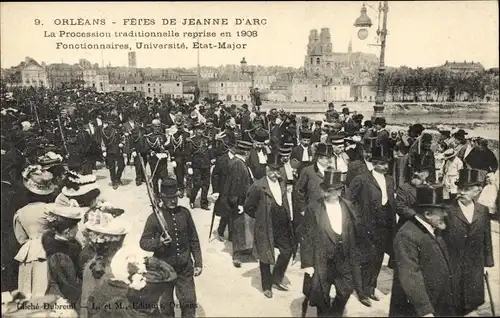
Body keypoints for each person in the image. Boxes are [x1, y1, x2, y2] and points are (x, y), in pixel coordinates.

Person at [300, 168, 362, 317]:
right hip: (322, 258)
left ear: (340, 191)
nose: (328, 193)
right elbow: (306, 236)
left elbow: (355, 230)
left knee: (346, 288)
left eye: (333, 190)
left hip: (343, 257)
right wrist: (308, 263)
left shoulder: (348, 206)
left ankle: (334, 313)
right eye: (326, 190)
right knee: (322, 293)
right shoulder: (313, 208)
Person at [389, 184, 456, 317]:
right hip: (418, 309)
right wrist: (425, 310)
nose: (445, 214)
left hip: (438, 302)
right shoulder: (406, 235)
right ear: (427, 214)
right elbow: (410, 275)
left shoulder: (434, 228)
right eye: (441, 211)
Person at [139, 178, 202, 318]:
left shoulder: (185, 213)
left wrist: (198, 262)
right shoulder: (154, 218)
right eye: (168, 198)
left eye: (174, 197)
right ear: (161, 197)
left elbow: (194, 239)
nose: (173, 201)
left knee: (189, 302)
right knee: (166, 306)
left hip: (185, 267)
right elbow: (143, 242)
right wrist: (159, 242)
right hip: (163, 269)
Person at [347, 145, 396, 307]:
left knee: (378, 257)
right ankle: (361, 291)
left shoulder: (389, 180)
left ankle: (371, 287)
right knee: (365, 257)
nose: (385, 166)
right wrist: (357, 219)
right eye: (382, 163)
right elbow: (349, 200)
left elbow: (390, 201)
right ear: (374, 163)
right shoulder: (362, 178)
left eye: (387, 163)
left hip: (383, 224)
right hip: (366, 224)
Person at [443, 168, 494, 316]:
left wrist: (487, 262)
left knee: (472, 299)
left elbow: (487, 237)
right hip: (453, 261)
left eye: (467, 189)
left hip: (474, 263)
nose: (462, 192)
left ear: (477, 191)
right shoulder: (447, 208)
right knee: (453, 298)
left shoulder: (483, 210)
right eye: (460, 188)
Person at [244, 152, 294, 298]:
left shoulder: (282, 182)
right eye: (272, 169)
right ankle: (267, 286)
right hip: (266, 225)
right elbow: (248, 207)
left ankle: (276, 277)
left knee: (287, 251)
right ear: (266, 168)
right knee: (265, 255)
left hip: (282, 224)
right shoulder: (258, 186)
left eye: (277, 170)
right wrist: (260, 217)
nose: (275, 173)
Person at [42, 206, 85, 309]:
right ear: (67, 231)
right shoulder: (61, 254)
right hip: (63, 297)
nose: (78, 230)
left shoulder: (53, 240)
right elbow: (68, 283)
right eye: (76, 228)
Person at [222, 139, 255, 268]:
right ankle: (237, 255)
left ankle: (242, 251)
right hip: (238, 202)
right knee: (238, 227)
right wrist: (239, 203)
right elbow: (235, 186)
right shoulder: (238, 164)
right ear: (246, 152)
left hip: (239, 201)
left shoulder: (238, 162)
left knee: (241, 227)